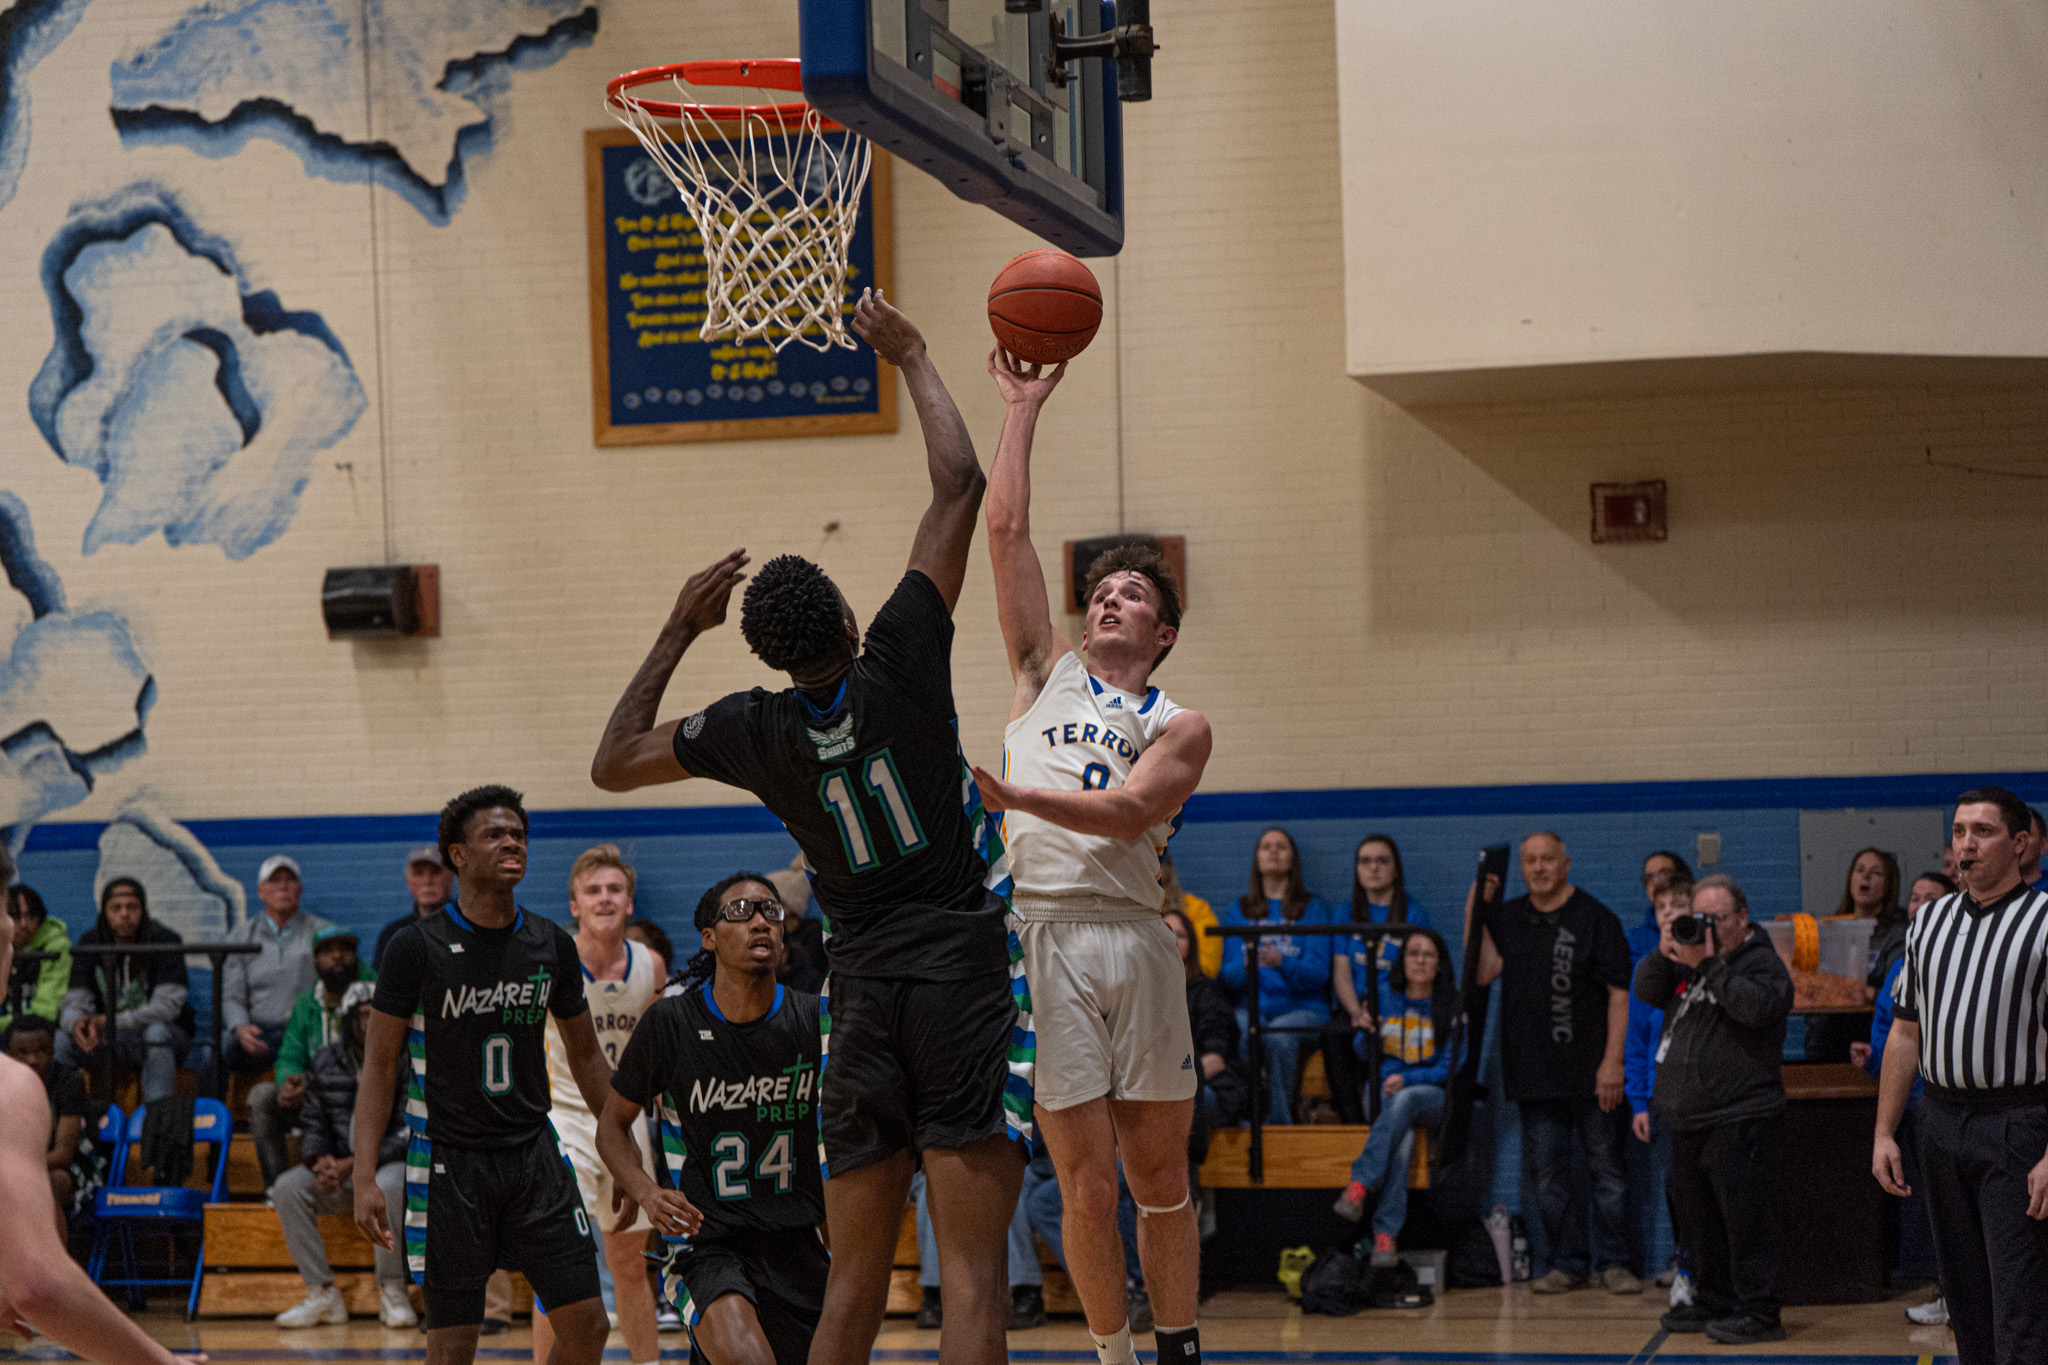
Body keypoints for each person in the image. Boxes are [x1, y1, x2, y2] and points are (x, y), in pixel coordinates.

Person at [588, 290, 1021, 1365]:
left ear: (777, 653)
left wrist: (674, 628)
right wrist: (911, 354)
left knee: (853, 1284)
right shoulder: (904, 652)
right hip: (958, 978)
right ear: (842, 620)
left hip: (863, 995)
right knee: (969, 1278)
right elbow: (960, 486)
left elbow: (612, 761)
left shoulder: (753, 729)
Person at [966, 341, 1214, 1365]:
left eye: (1131, 594)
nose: (1108, 597)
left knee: (1160, 1180)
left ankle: (1180, 1348)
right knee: (1083, 1183)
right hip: (1045, 938)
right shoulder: (1040, 674)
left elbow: (1123, 816)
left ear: (1161, 632)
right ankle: (1110, 1356)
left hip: (1132, 937)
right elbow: (1005, 526)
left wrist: (1009, 794)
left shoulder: (1179, 722)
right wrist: (1022, 409)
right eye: (1100, 590)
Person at [351, 785, 614, 1365]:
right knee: (452, 1348)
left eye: (518, 833)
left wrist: (623, 1146)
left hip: (534, 1154)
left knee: (589, 1325)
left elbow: (589, 1058)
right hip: (449, 1162)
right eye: (494, 834)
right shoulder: (413, 947)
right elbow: (378, 1066)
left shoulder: (551, 944)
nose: (511, 842)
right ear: (458, 855)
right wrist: (365, 1174)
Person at [597, 873, 825, 1365]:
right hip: (706, 1243)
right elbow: (612, 1125)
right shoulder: (671, 1023)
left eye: (771, 911)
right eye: (741, 913)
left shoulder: (815, 1019)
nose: (761, 921)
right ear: (709, 937)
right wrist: (645, 1190)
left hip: (797, 1239)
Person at [0, 869, 209, 1365]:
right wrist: (160, 1362)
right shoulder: (10, 1086)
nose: (14, 927)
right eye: (6, 911)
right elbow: (38, 1286)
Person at [1874, 787, 2048, 1365]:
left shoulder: (2044, 923)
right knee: (1965, 1300)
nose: (1966, 845)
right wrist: (1883, 1132)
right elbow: (1904, 1032)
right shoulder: (1928, 924)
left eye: (1983, 832)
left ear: (2019, 843)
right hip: (1941, 1122)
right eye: (1958, 831)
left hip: (2018, 1125)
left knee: (2020, 1303)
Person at [1466, 831, 1638, 1295]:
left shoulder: (1596, 918)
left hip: (1594, 1076)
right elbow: (1482, 971)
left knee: (1607, 1171)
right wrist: (1477, 903)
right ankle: (1567, 1263)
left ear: (1566, 863)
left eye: (1547, 859)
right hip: (1535, 1075)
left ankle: (1615, 1263)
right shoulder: (1507, 918)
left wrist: (1613, 1063)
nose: (1539, 867)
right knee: (1547, 1178)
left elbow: (1620, 997)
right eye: (1530, 861)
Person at [1634, 874, 1794, 1346]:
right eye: (1697, 919)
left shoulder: (1761, 962)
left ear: (1741, 919)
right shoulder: (1687, 963)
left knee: (1748, 1223)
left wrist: (1709, 965)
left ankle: (1761, 1312)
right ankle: (1716, 1296)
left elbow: (1757, 1008)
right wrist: (1667, 950)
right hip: (1688, 1120)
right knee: (1701, 1222)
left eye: (1716, 919)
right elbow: (1645, 989)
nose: (1706, 929)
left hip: (1741, 1117)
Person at [532, 846, 665, 1365]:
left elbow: (657, 1048)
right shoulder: (551, 961)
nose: (604, 898)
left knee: (631, 1265)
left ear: (629, 902)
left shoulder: (650, 963)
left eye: (613, 890)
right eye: (593, 891)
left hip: (627, 1124)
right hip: (565, 1121)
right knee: (563, 1268)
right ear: (574, 905)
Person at [271, 982, 415, 1329]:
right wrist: (318, 1160)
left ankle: (393, 1291)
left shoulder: (407, 1057)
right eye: (365, 1015)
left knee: (389, 1184)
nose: (373, 1022)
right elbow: (313, 1122)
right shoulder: (326, 1061)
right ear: (349, 1020)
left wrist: (360, 1163)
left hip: (389, 1164)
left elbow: (410, 1129)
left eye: (379, 1014)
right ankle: (321, 1293)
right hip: (339, 1165)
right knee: (287, 1188)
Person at [1852, 870, 1948, 1323]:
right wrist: (1871, 1058)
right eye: (1914, 897)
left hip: (1946, 1100)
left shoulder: (1956, 957)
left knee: (1951, 1205)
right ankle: (1948, 1292)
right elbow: (1893, 1036)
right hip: (1907, 1103)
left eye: (1932, 897)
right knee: (1929, 1207)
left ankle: (1958, 1296)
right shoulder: (1901, 963)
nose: (1920, 904)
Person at [1331, 928, 1460, 1257]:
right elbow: (1363, 1053)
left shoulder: (1451, 1005)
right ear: (1402, 962)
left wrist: (1409, 1078)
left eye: (1427, 954)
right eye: (1413, 953)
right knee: (1401, 1140)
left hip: (1430, 1095)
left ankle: (1359, 1183)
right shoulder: (1383, 996)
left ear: (1439, 964)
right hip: (1384, 1093)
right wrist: (1366, 1030)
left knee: (1405, 1098)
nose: (1419, 960)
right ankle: (1385, 1236)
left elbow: (1450, 1065)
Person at [1218, 829, 1333, 1127]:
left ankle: (1279, 1123)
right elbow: (1227, 977)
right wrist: (1247, 964)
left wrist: (1281, 962)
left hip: (1304, 1010)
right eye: (1266, 847)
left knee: (1279, 1035)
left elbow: (1319, 974)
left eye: (1281, 847)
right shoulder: (1239, 911)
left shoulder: (1313, 908)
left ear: (1292, 860)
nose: (1273, 852)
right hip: (1253, 1006)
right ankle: (1246, 1114)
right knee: (1241, 1027)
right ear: (1257, 860)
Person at [248, 925, 375, 1194]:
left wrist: (317, 1082)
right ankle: (275, 1189)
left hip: (361, 1094)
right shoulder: (305, 1003)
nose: (338, 956)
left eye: (345, 950)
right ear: (316, 963)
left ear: (357, 957)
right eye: (328, 951)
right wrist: (287, 1084)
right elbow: (290, 1055)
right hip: (316, 1099)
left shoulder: (374, 995)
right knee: (262, 1097)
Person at [1324, 836, 1432, 1124]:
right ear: (1357, 870)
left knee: (1380, 1038)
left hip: (1397, 1006)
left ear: (1396, 869)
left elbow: (1418, 973)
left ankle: (1381, 1121)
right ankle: (1352, 1123)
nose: (1373, 868)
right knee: (1335, 1033)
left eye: (1382, 861)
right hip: (1357, 1006)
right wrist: (1356, 1011)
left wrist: (1383, 1007)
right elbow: (1342, 971)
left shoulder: (1414, 913)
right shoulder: (1345, 913)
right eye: (1365, 861)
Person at [57, 878, 193, 1103]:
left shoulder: (165, 940)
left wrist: (109, 1021)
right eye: (116, 908)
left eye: (132, 907)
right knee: (62, 1038)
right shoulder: (91, 942)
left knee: (156, 1033)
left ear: (143, 910)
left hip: (155, 1035)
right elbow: (73, 1001)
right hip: (106, 1037)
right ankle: (62, 1120)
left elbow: (166, 1008)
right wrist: (77, 1024)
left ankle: (156, 1125)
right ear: (105, 912)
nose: (124, 914)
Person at [1623, 877, 1693, 1298]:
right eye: (1662, 906)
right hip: (1660, 1095)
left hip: (1703, 1094)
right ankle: (1682, 1257)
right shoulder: (1650, 970)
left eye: (1678, 905)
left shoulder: (1706, 962)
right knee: (1675, 1181)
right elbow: (1636, 1040)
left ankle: (1704, 1258)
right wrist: (1638, 1102)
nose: (1669, 912)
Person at [222, 856, 333, 1077]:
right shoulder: (240, 937)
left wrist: (308, 1011)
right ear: (261, 891)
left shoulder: (323, 933)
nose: (283, 886)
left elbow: (336, 985)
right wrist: (240, 1028)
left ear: (299, 889)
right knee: (216, 1052)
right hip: (259, 1032)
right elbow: (231, 996)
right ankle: (212, 1111)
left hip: (308, 1029)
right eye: (275, 880)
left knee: (333, 1052)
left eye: (289, 880)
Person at [909, 1169, 1045, 1331]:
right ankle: (933, 1294)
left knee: (1008, 1181)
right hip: (939, 1161)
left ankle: (1027, 1291)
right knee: (932, 1189)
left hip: (1023, 1161)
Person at [4, 1015, 89, 1238]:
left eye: (41, 1051)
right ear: (9, 1056)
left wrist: (16, 1168)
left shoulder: (69, 1082)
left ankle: (52, 1268)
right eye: (22, 1053)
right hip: (15, 1169)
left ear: (52, 1050)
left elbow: (63, 1155)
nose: (32, 1059)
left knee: (50, 1183)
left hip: (70, 1169)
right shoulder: (4, 1085)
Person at [373, 848, 456, 970]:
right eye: (419, 873)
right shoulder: (393, 934)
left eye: (435, 872)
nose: (427, 881)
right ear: (408, 882)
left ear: (451, 879)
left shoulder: (469, 926)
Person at [3, 886, 70, 1035]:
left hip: (41, 1031)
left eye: (30, 916)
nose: (24, 924)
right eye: (16, 916)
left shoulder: (55, 946)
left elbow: (47, 1011)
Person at [1160, 855, 1220, 978]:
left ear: (1168, 867)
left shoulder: (1197, 910)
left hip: (1188, 989)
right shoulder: (1123, 911)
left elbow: (1206, 968)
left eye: (1158, 861)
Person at [1628, 852, 1692, 964]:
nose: (1656, 881)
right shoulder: (1637, 939)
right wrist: (1661, 954)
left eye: (1664, 873)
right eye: (1649, 877)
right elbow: (1636, 980)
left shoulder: (1705, 929)